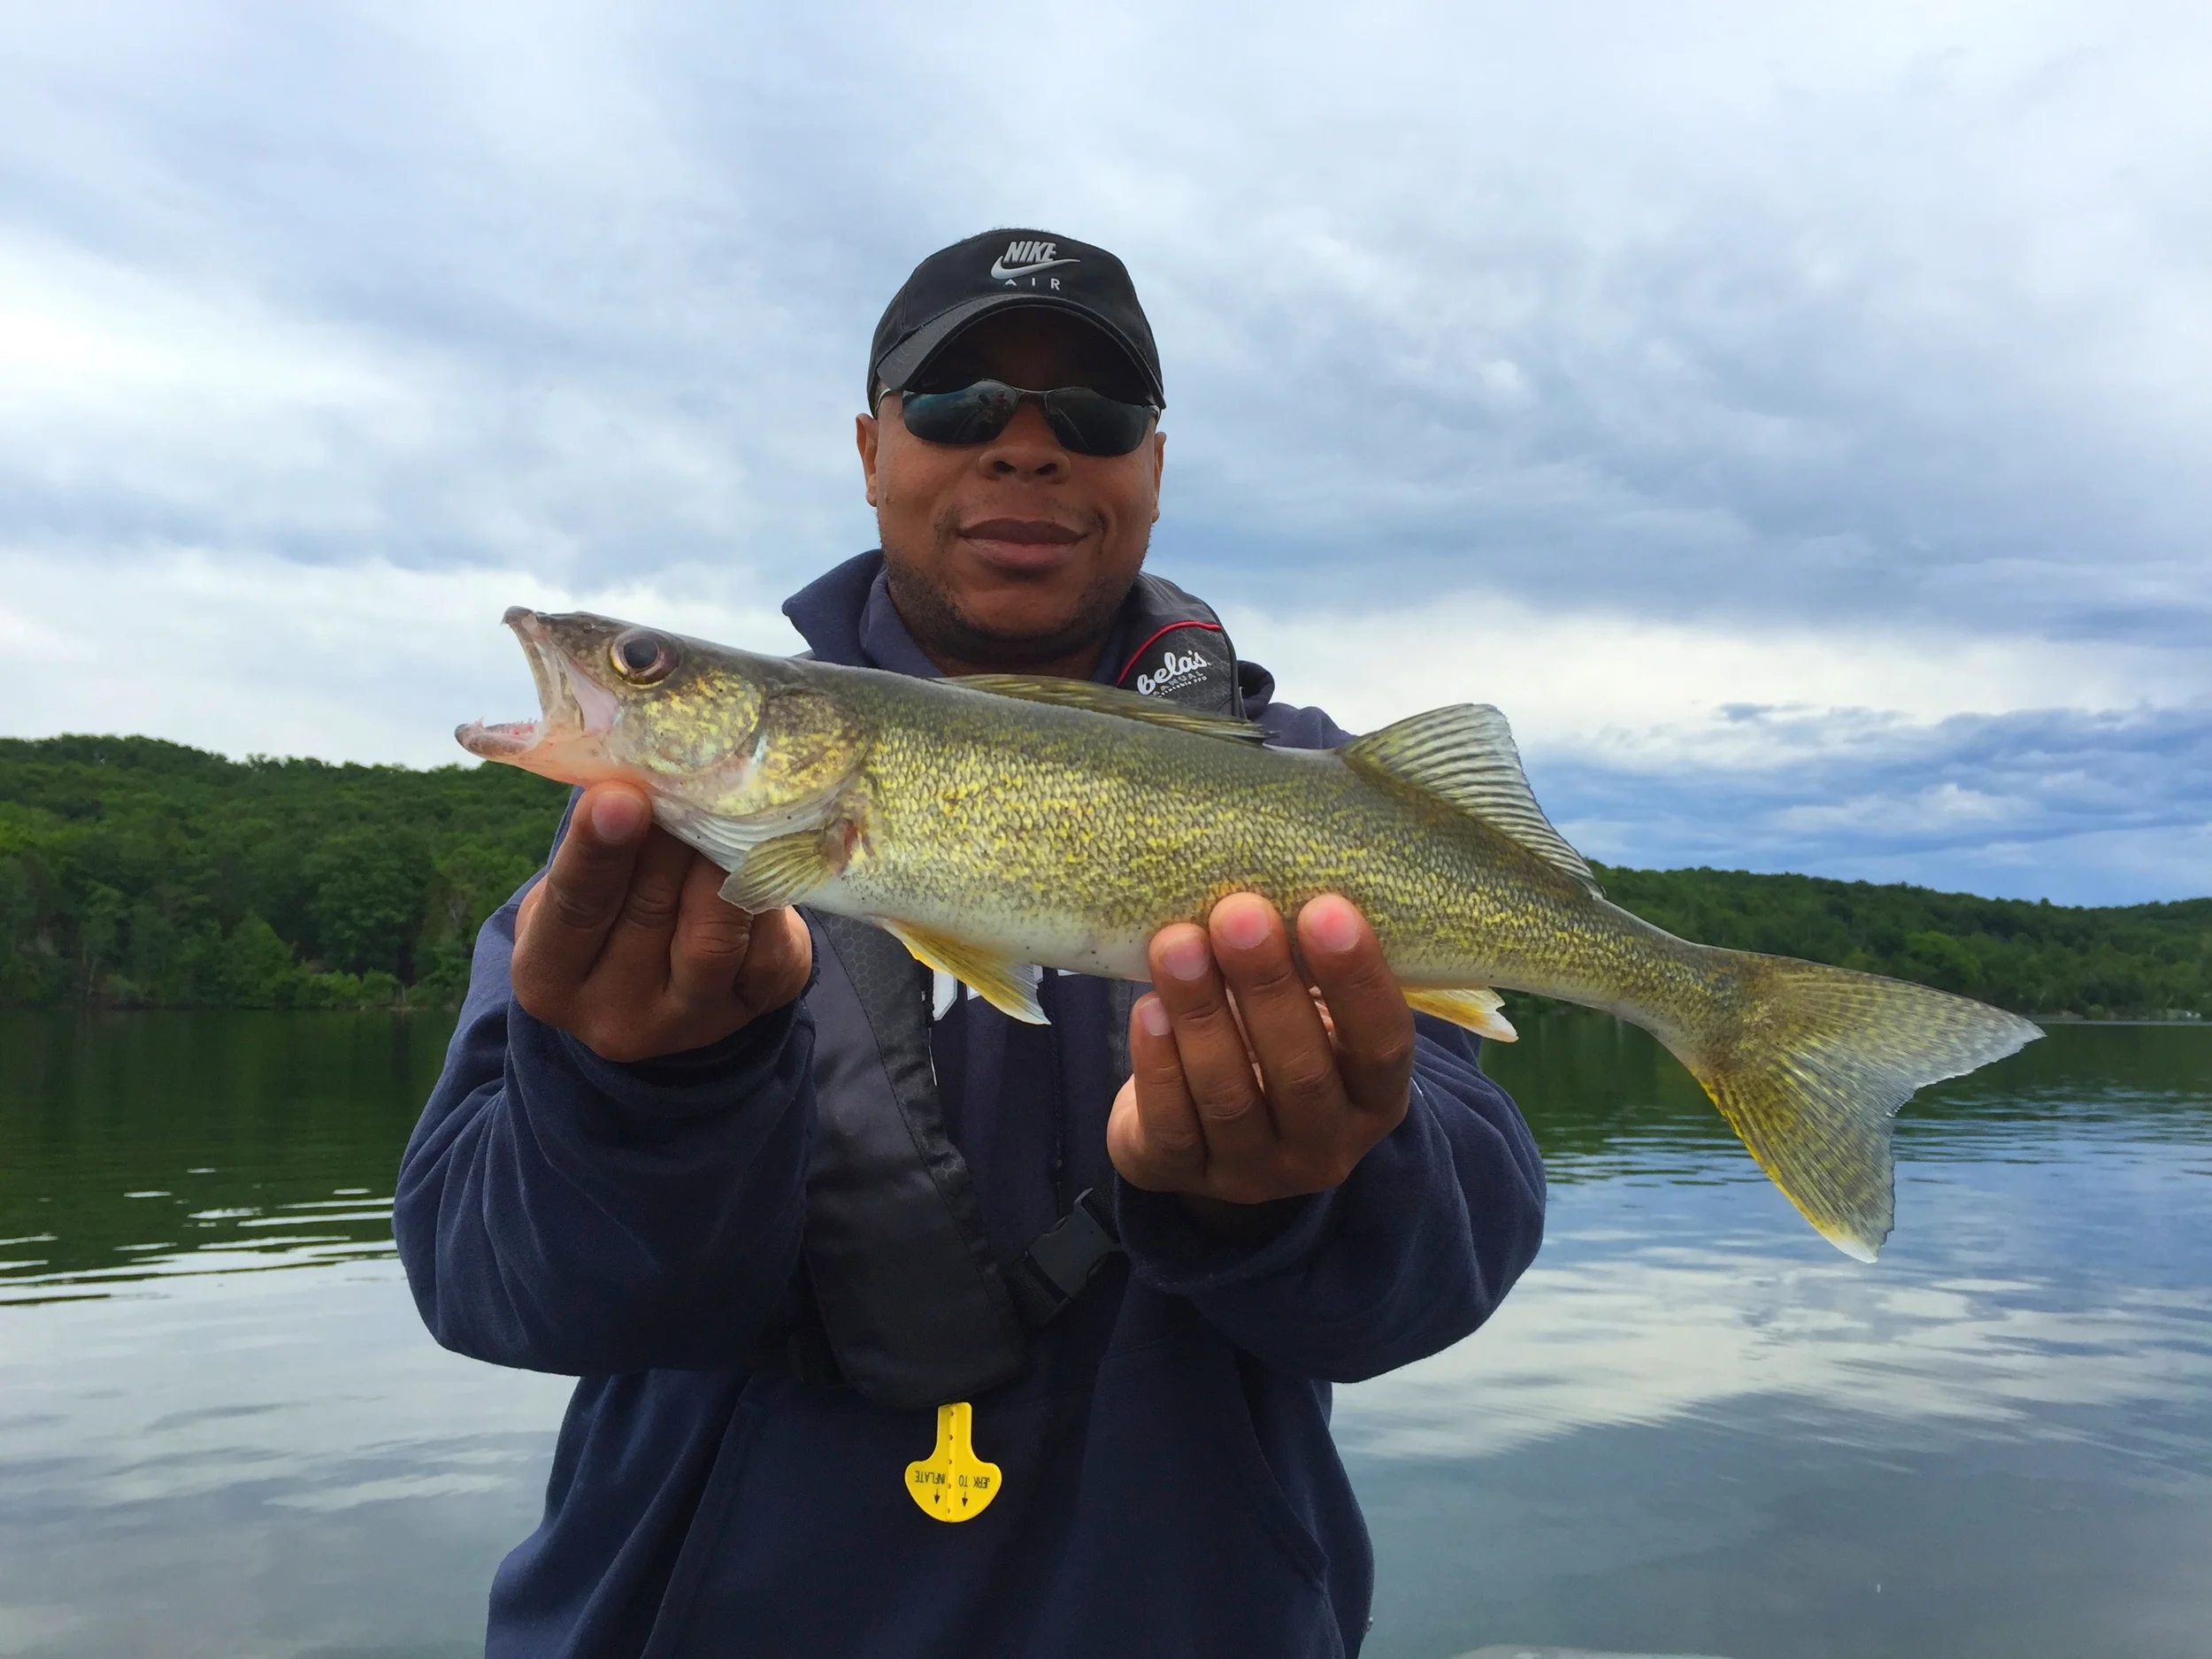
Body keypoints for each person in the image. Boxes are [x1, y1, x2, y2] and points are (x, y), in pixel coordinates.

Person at [396, 228, 1546, 1659]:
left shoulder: (1325, 792)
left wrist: (1301, 1195)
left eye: (1094, 414)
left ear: (1155, 467)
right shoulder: (661, 847)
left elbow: (1445, 1262)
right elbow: (488, 1280)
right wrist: (632, 1102)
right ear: (872, 449)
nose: (1024, 448)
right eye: (956, 405)